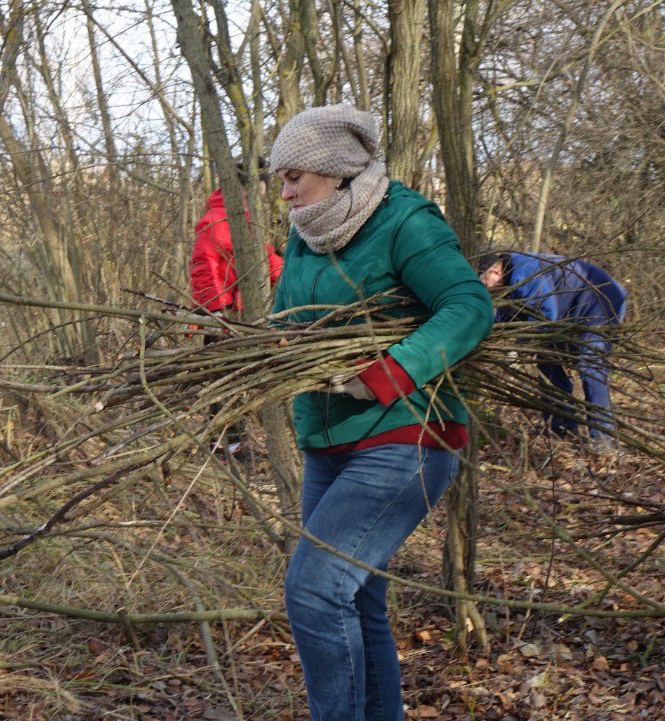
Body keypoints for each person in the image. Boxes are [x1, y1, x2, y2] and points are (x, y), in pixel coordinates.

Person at [269, 104, 493, 720]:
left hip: (408, 433)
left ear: (337, 171)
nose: (285, 192)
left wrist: (388, 373)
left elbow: (468, 304)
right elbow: (285, 316)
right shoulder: (307, 231)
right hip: (329, 437)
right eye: (280, 179)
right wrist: (268, 347)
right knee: (358, 601)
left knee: (315, 592)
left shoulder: (404, 220)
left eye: (295, 177)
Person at [478, 250, 627, 442]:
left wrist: (518, 346)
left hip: (601, 301)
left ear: (495, 274)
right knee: (547, 363)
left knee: (590, 367)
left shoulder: (524, 272)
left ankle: (603, 439)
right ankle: (562, 429)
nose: (485, 290)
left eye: (483, 283)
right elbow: (508, 317)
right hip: (568, 313)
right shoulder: (506, 282)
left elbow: (547, 314)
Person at [190, 158, 284, 456]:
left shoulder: (244, 221)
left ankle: (233, 441)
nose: (265, 195)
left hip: (242, 314)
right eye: (261, 188)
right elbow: (204, 266)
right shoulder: (218, 218)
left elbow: (267, 261)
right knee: (224, 377)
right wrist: (215, 311)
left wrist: (298, 275)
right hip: (223, 315)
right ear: (245, 187)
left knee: (238, 376)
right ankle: (224, 444)